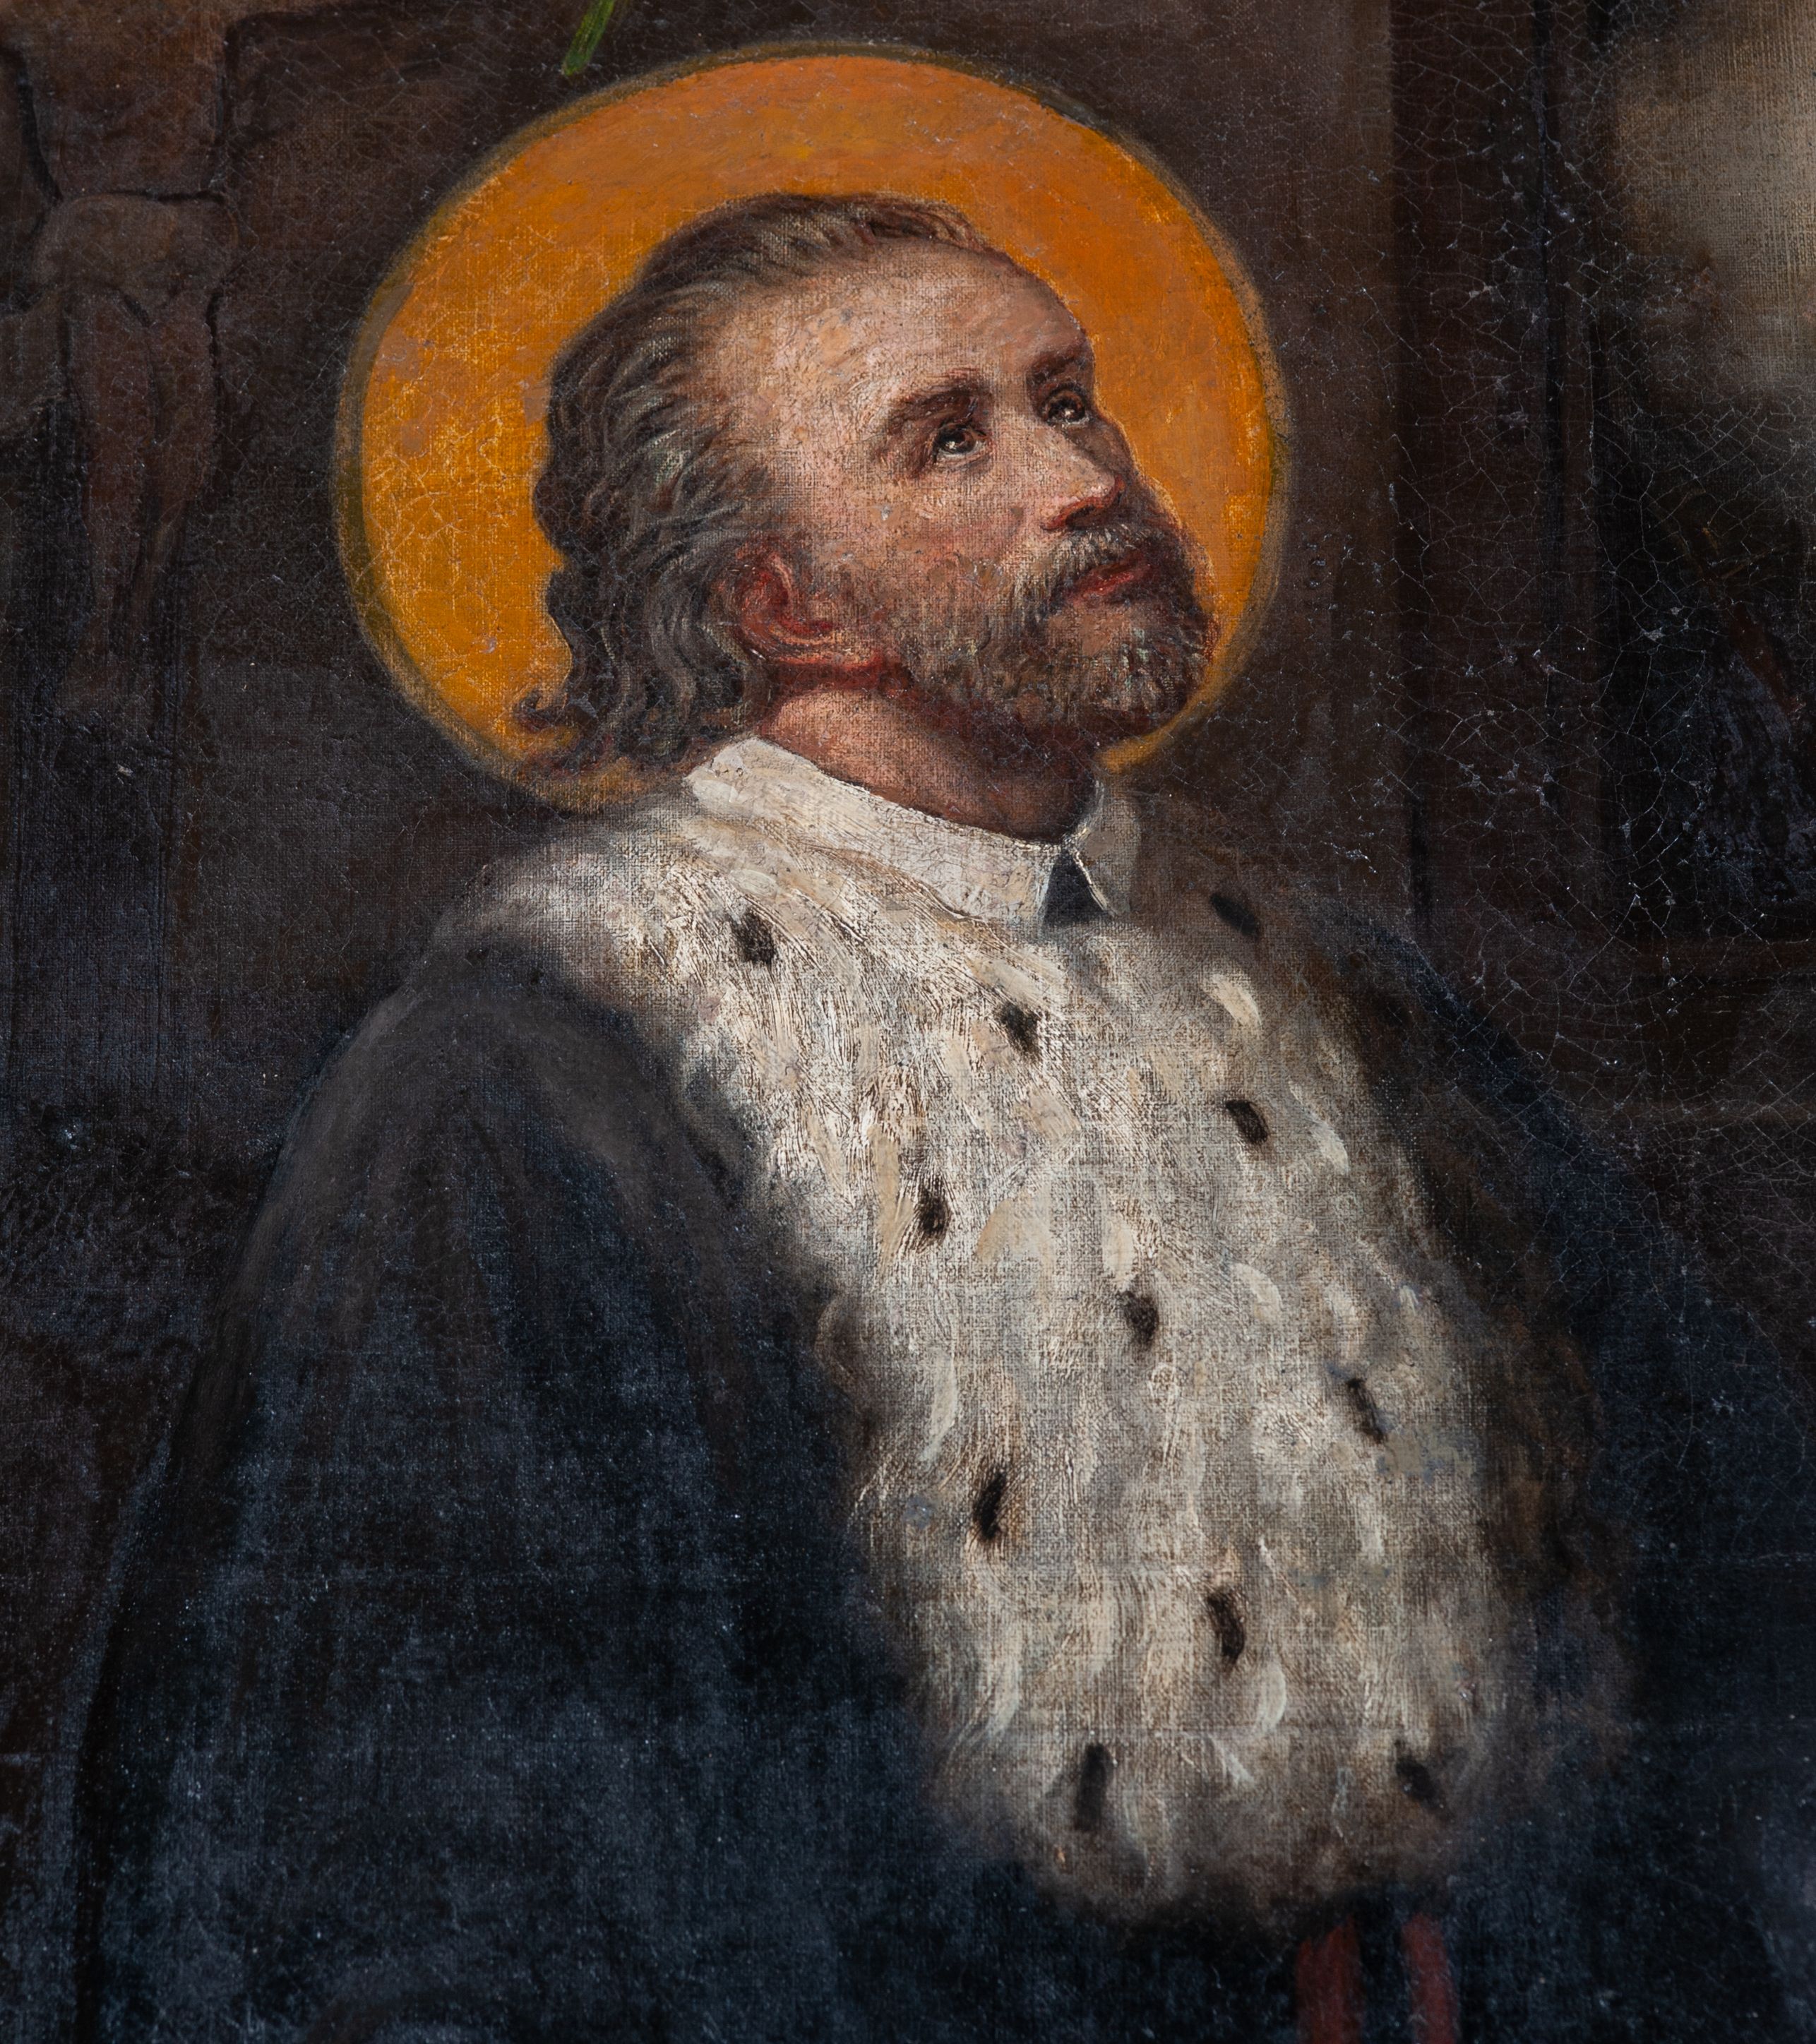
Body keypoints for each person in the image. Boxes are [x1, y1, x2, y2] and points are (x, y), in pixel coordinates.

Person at [76, 193, 1815, 2043]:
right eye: (951, 440)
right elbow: (410, 1862)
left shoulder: (1343, 995)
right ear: (781, 601)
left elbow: (1732, 1570)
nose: (1088, 482)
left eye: (1067, 399)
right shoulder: (527, 1076)